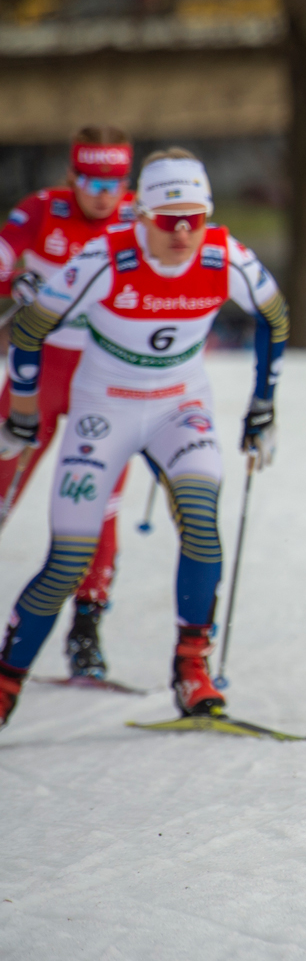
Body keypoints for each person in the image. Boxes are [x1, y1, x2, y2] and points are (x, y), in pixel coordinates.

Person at [0, 148, 289, 729]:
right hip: (104, 409)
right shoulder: (105, 257)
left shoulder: (225, 255)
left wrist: (263, 403)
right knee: (68, 559)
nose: (182, 233)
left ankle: (192, 670)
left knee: (202, 524)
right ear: (142, 217)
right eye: (168, 220)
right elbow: (30, 327)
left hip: (179, 408)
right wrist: (23, 409)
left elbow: (274, 317)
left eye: (194, 219)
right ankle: (7, 683)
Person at [0, 126, 138, 681]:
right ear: (71, 176)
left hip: (106, 380)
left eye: (114, 182)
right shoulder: (42, 208)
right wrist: (14, 284)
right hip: (41, 374)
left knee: (96, 503)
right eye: (91, 181)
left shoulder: (140, 218)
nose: (103, 195)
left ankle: (86, 631)